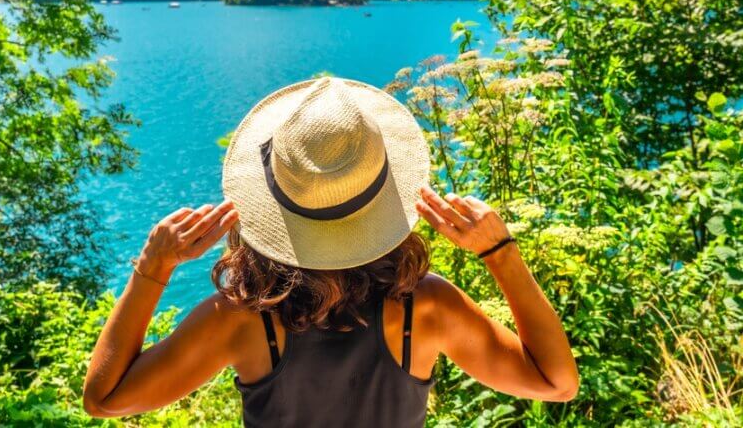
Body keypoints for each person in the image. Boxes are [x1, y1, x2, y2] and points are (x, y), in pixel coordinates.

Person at [83, 77, 578, 426]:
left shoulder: (242, 318)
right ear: (386, 196)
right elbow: (556, 383)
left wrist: (152, 268)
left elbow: (105, 399)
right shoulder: (426, 308)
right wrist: (500, 254)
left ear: (273, 200)